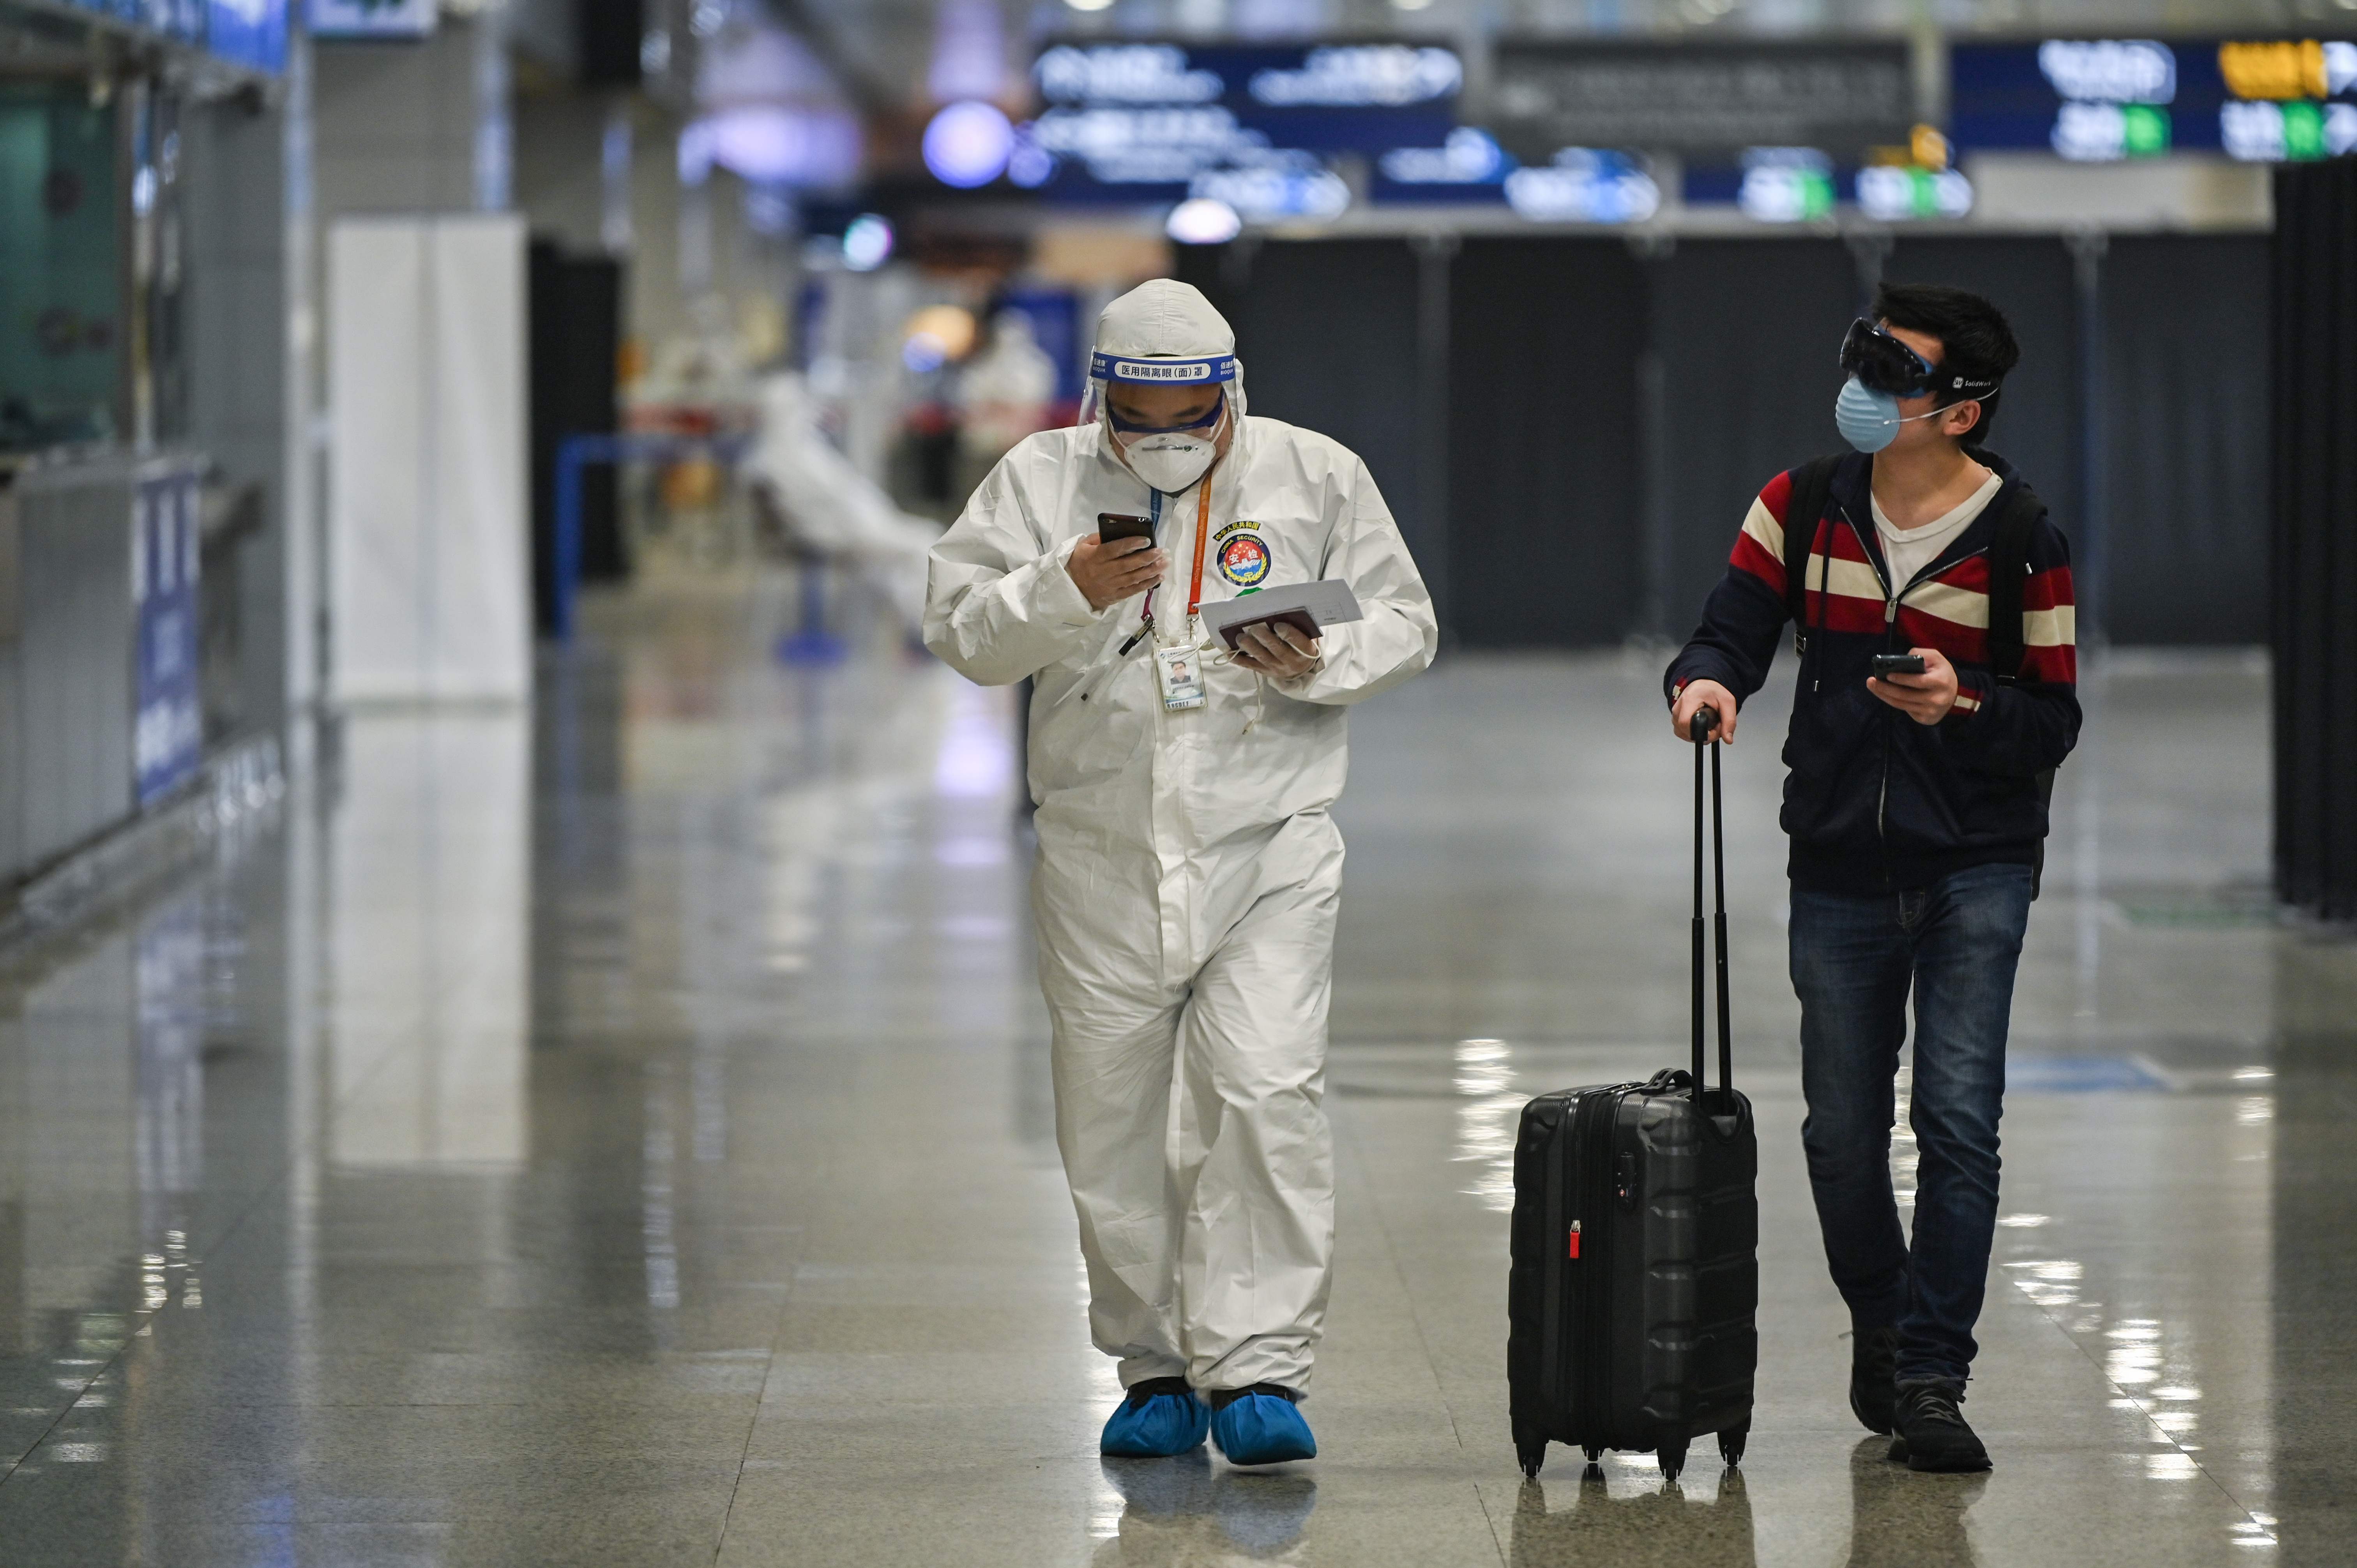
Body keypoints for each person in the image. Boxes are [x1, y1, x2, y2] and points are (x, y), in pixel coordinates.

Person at [925, 280, 1436, 1467]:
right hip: (1100, 856)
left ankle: (1259, 1366)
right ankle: (1153, 1364)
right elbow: (960, 630)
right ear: (1103, 396)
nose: (1166, 439)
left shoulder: (1316, 476)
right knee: (1112, 1121)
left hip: (1271, 841)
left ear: (1231, 394)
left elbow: (1407, 619)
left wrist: (1321, 655)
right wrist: (1064, 592)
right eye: (1141, 417)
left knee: (1262, 1091)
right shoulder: (1041, 481)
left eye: (1190, 416)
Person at [1664, 284, 2080, 1474]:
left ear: (1960, 411)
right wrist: (1707, 684)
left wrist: (1964, 705)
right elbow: (1731, 625)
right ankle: (1885, 1317)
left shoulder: (2021, 539)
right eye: (1863, 356)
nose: (1864, 386)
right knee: (1843, 1134)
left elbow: (2053, 719)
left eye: (1896, 371)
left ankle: (1933, 1376)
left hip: (1980, 864)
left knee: (1956, 1121)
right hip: (1840, 855)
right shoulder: (1802, 506)